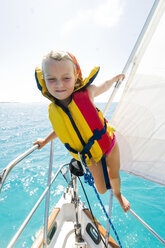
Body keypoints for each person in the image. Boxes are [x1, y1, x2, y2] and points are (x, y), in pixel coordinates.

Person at [34, 50, 130, 213]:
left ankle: (119, 194)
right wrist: (44, 141)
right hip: (90, 157)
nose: (59, 84)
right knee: (101, 189)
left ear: (76, 76)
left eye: (66, 78)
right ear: (44, 80)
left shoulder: (88, 92)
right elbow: (61, 130)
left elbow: (104, 85)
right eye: (51, 79)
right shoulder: (55, 111)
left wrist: (115, 79)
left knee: (114, 175)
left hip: (109, 144)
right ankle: (100, 171)